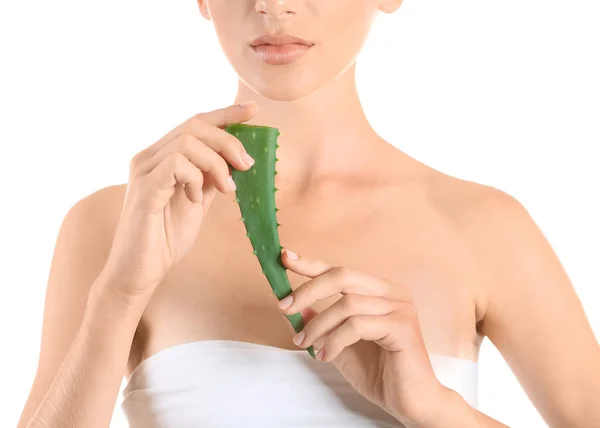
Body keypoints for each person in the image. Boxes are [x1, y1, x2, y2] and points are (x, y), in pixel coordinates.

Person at [16, 0, 600, 427]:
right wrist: (120, 294)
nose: (273, 5)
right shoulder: (115, 224)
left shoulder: (486, 227)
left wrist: (435, 409)